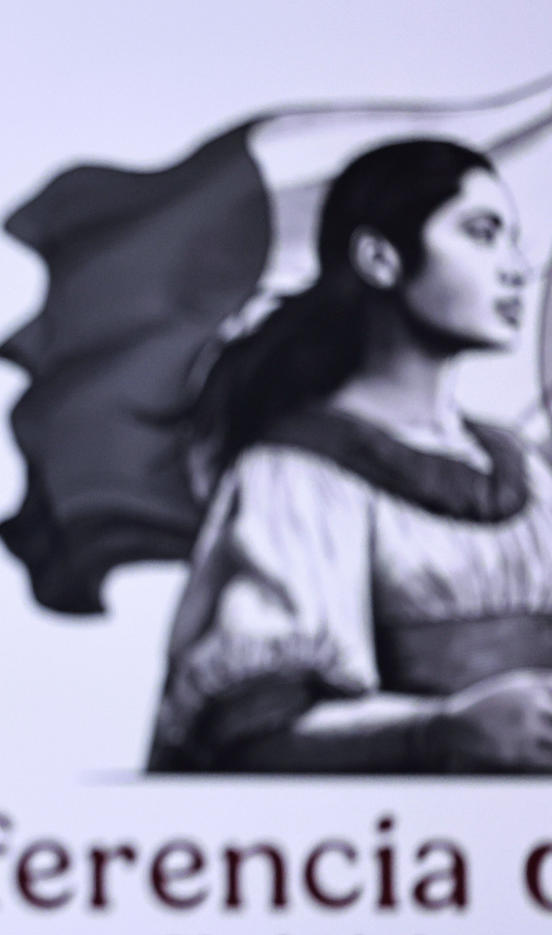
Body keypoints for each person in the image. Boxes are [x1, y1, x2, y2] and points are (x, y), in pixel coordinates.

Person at [149, 139, 551, 772]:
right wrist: (443, 732)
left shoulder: (528, 472)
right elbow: (251, 733)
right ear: (379, 258)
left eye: (512, 239)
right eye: (481, 234)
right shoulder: (295, 476)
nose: (515, 269)